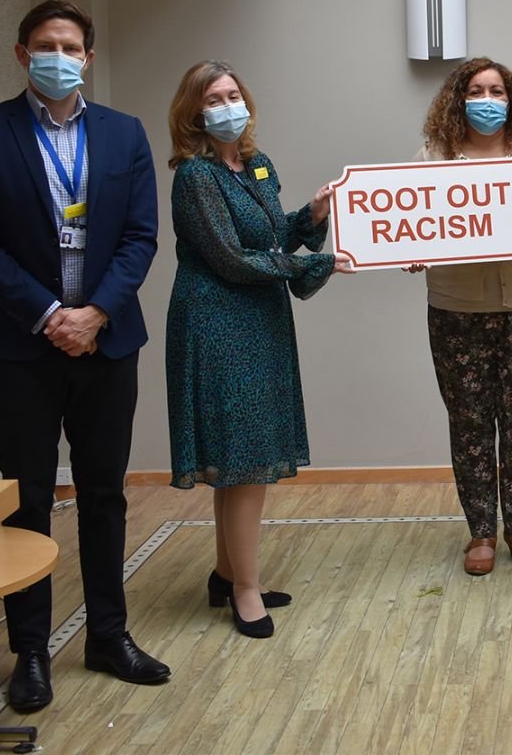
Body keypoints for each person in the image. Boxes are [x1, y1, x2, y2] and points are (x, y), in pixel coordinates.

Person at [0, 0, 169, 713]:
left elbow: (140, 236)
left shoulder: (123, 134)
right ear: (22, 55)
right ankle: (31, 652)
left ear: (89, 58)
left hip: (107, 344)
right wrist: (50, 316)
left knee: (104, 494)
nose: (58, 55)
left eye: (69, 45)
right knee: (29, 500)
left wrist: (96, 312)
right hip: (18, 348)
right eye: (44, 44)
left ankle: (108, 634)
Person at [164, 61, 347, 638]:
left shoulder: (257, 164)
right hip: (218, 322)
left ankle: (227, 572)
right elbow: (228, 258)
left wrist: (311, 218)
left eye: (234, 94)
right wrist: (314, 262)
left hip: (261, 319)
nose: (227, 105)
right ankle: (245, 589)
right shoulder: (195, 176)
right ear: (194, 112)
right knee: (242, 463)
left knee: (243, 462)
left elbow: (267, 238)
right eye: (214, 98)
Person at [413, 58, 512, 577]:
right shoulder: (434, 158)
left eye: (497, 90)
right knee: (470, 421)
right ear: (459, 99)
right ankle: (480, 532)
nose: (488, 99)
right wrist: (406, 247)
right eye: (477, 90)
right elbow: (408, 222)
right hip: (456, 309)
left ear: (511, 99)